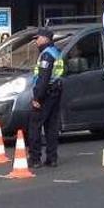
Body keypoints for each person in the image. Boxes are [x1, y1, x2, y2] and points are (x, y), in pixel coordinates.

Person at [28, 27, 64, 168]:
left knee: (35, 125)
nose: (36, 41)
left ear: (45, 38)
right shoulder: (56, 52)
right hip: (56, 91)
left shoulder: (47, 55)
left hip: (46, 93)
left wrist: (37, 98)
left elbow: (43, 78)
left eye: (37, 38)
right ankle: (52, 158)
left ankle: (35, 158)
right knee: (51, 126)